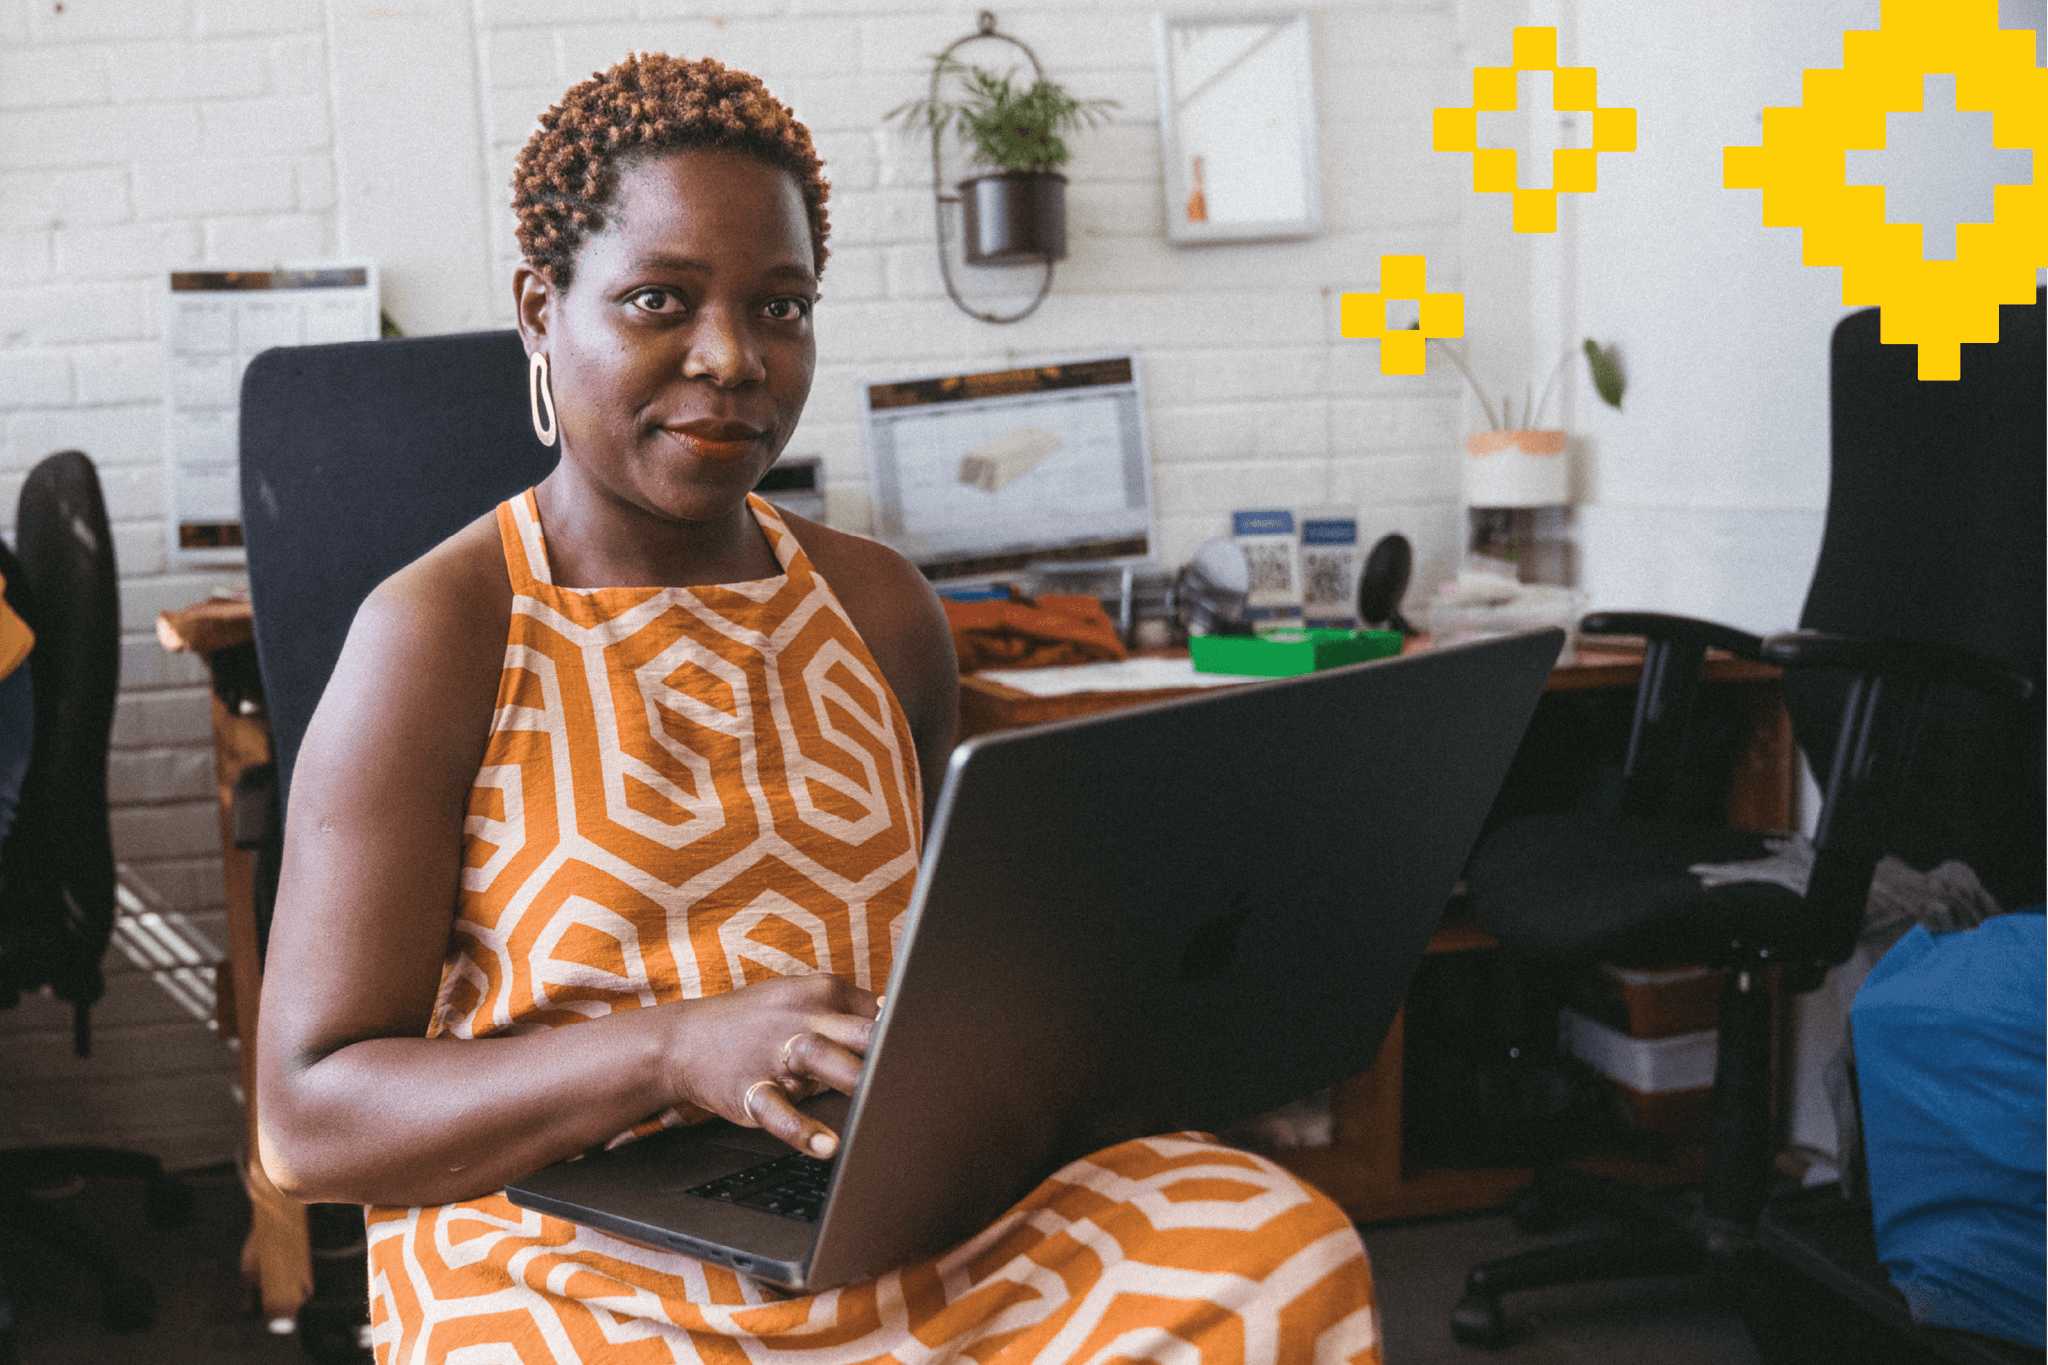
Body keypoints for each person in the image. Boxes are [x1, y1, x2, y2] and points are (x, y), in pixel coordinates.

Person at [257, 53, 1382, 1363]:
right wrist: (669, 1049)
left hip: (883, 1211)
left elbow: (967, 963)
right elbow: (307, 1124)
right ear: (540, 311)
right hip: (555, 1251)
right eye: (659, 300)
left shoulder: (882, 607)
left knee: (1275, 1248)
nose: (734, 358)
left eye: (780, 306)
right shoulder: (441, 633)